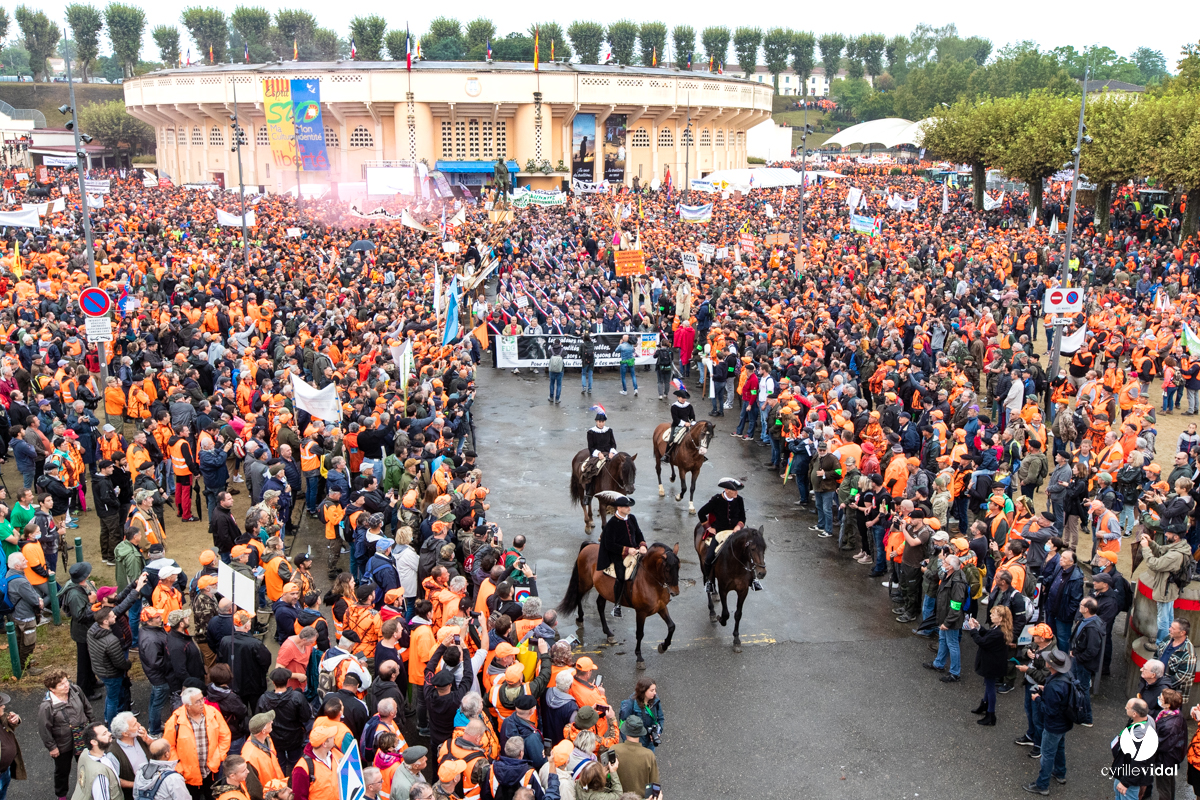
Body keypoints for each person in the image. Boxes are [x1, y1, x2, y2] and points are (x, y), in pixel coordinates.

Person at [164, 687, 232, 800]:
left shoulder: (213, 713)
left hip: (211, 770)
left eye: (202, 699)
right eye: (198, 701)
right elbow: (169, 747)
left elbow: (225, 736)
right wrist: (179, 767)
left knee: (212, 796)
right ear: (187, 705)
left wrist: (219, 756)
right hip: (187, 775)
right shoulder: (174, 721)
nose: (202, 703)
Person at [38, 668, 96, 800]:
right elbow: (44, 729)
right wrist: (52, 747)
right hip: (63, 743)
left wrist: (93, 727)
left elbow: (87, 708)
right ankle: (62, 795)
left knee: (87, 764)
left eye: (66, 681)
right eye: (61, 684)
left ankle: (89, 789)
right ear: (52, 689)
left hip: (82, 735)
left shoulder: (76, 690)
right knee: (62, 770)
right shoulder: (47, 706)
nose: (67, 685)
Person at [1023, 649, 1073, 796]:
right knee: (1059, 747)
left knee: (1047, 753)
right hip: (1065, 722)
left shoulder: (1054, 686)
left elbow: (1049, 711)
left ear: (1051, 665)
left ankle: (1042, 784)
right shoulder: (1066, 676)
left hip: (1054, 725)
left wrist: (1037, 699)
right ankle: (1060, 773)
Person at [1139, 524, 1193, 646]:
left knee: (1163, 620)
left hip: (1166, 590)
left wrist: (1146, 548)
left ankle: (1161, 644)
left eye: (1168, 533)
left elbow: (1155, 564)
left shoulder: (1175, 555)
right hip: (1171, 588)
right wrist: (1151, 543)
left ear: (1176, 537)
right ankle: (1168, 640)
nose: (1165, 534)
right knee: (1169, 617)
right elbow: (1162, 551)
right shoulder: (1181, 546)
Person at [596, 495, 645, 617]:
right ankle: (617, 605)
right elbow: (609, 544)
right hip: (617, 555)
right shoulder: (612, 524)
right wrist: (627, 550)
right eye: (626, 506)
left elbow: (638, 534)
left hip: (636, 551)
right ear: (619, 508)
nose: (629, 508)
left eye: (629, 506)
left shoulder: (632, 518)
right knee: (621, 576)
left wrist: (643, 545)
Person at [257, 668, 312, 775]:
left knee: (278, 765)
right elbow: (306, 717)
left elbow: (259, 719)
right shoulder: (297, 697)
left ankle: (281, 786)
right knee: (296, 764)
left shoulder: (263, 699)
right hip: (294, 737)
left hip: (274, 738)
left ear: (273, 682)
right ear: (287, 681)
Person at [696, 478, 747, 595]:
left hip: (735, 532)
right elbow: (701, 513)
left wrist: (739, 526)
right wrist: (709, 527)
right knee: (709, 557)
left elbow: (742, 517)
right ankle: (709, 581)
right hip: (719, 533)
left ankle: (753, 579)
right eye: (734, 491)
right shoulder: (716, 500)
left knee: (749, 550)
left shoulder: (739, 500)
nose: (736, 493)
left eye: (737, 491)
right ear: (726, 490)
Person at [966, 605, 1013, 727]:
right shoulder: (999, 629)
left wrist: (973, 630)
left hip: (992, 664)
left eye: (993, 614)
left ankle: (990, 714)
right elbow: (987, 634)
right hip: (994, 662)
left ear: (1001, 618)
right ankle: (985, 705)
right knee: (988, 684)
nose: (990, 616)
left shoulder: (998, 633)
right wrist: (979, 627)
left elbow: (982, 641)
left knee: (991, 687)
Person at [924, 554, 968, 682]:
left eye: (945, 561)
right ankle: (939, 663)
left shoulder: (958, 583)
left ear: (950, 567)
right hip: (943, 617)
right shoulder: (948, 576)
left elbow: (956, 606)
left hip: (951, 620)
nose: (942, 562)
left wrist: (947, 623)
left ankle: (955, 672)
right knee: (943, 640)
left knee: (952, 644)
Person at [1068, 596, 1103, 726]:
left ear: (1087, 609)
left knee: (1082, 689)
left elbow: (1092, 650)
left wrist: (1078, 657)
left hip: (1083, 663)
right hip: (1078, 659)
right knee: (1076, 686)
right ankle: (1077, 712)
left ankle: (1087, 718)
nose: (1079, 605)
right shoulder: (1087, 621)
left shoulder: (1092, 627)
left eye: (1082, 604)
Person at [1111, 698, 1155, 799]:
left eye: (1128, 707)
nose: (1125, 708)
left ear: (1135, 714)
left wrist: (1125, 782)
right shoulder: (1148, 719)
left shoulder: (1139, 736)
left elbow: (1139, 763)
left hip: (1128, 776)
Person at [70, 723, 121, 800]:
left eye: (107, 731)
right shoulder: (100, 774)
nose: (109, 734)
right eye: (104, 734)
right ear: (94, 742)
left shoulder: (85, 753)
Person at [613, 716, 659, 799]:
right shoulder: (648, 755)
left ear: (625, 731)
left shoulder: (614, 750)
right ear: (641, 733)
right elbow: (654, 784)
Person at [1155, 618, 1197, 706]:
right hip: (1158, 685)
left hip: (1172, 695)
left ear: (1182, 633)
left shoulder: (1188, 653)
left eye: (1173, 628)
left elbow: (1182, 677)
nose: (1169, 629)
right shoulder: (1168, 638)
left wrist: (1161, 685)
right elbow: (1157, 654)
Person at [110, 712, 152, 800]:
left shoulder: (140, 735)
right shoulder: (113, 753)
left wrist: (147, 740)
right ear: (125, 734)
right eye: (134, 725)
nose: (139, 725)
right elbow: (115, 780)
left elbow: (160, 749)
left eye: (137, 722)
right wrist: (137, 785)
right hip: (135, 795)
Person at [1154, 688, 1187, 800]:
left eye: (1161, 699)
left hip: (1165, 761)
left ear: (1167, 704)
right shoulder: (1175, 715)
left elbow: (1161, 743)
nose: (1158, 699)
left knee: (1163, 788)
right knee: (1169, 785)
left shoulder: (1170, 725)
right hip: (1170, 759)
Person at [617, 677, 662, 752]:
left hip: (649, 743)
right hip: (636, 744)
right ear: (643, 691)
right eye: (652, 690)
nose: (655, 693)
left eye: (655, 690)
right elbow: (623, 726)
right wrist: (629, 745)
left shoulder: (655, 700)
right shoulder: (630, 705)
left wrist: (657, 732)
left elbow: (660, 718)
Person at [582, 410, 617, 490]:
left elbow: (613, 444)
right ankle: (588, 492)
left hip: (609, 453)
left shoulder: (609, 430)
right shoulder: (591, 432)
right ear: (596, 421)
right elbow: (591, 447)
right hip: (597, 455)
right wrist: (598, 454)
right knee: (590, 470)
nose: (601, 424)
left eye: (603, 422)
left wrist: (612, 452)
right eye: (599, 422)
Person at [0, 692, 25, 800]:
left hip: (5, 771)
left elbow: (11, 720)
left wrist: (16, 718)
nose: (4, 706)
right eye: (1, 705)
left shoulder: (1, 717)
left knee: (3, 794)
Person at [662, 388, 695, 463]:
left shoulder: (689, 406)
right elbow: (675, 419)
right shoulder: (674, 407)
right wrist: (684, 423)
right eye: (682, 398)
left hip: (688, 425)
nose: (684, 400)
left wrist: (692, 422)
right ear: (678, 397)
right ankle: (666, 454)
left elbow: (692, 417)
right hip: (677, 425)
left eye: (685, 398)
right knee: (671, 439)